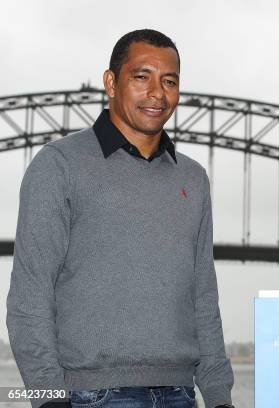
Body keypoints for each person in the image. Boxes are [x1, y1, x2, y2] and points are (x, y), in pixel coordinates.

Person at [7, 29, 234, 408]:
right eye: (141, 77)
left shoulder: (192, 178)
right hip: (89, 396)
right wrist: (48, 399)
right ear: (111, 82)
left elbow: (203, 298)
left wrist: (219, 396)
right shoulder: (59, 165)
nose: (157, 93)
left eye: (170, 81)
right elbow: (29, 298)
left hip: (181, 395)